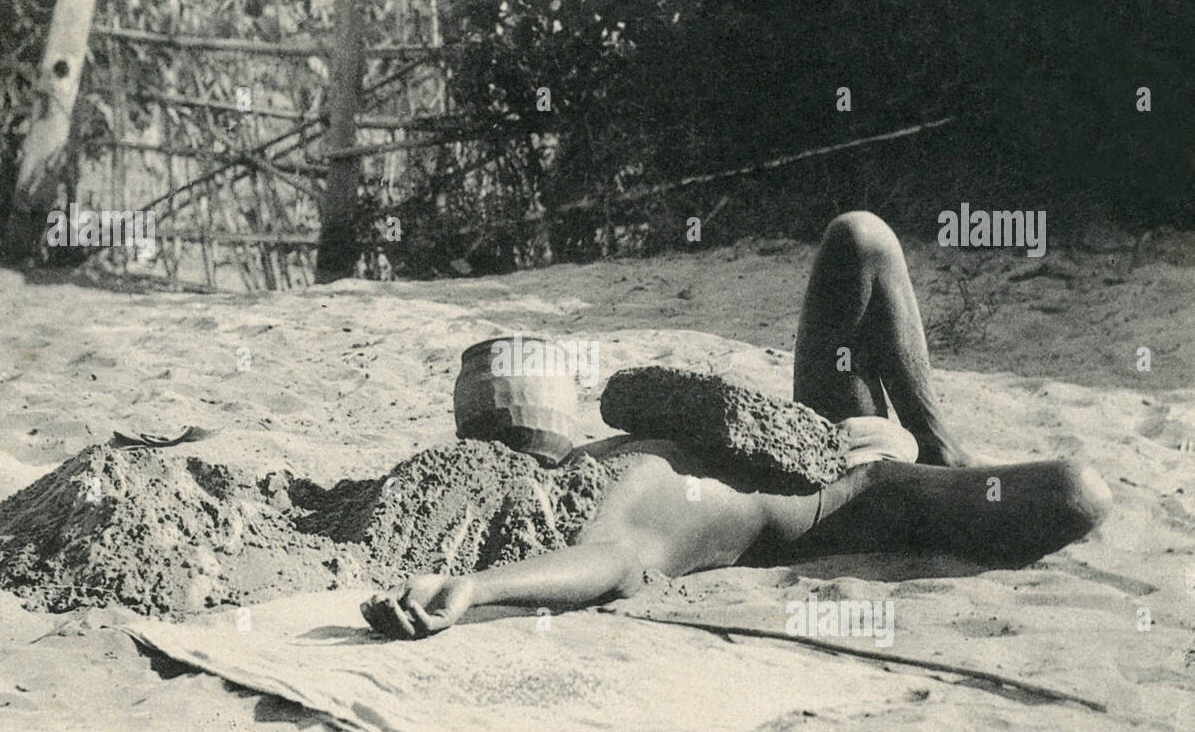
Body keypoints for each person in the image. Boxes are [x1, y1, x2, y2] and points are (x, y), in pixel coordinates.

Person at [361, 212, 1112, 640]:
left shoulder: (607, 456)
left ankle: (942, 447)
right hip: (856, 496)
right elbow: (612, 563)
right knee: (1078, 488)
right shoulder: (625, 485)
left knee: (859, 236)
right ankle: (936, 469)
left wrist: (912, 434)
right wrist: (474, 588)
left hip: (819, 431)